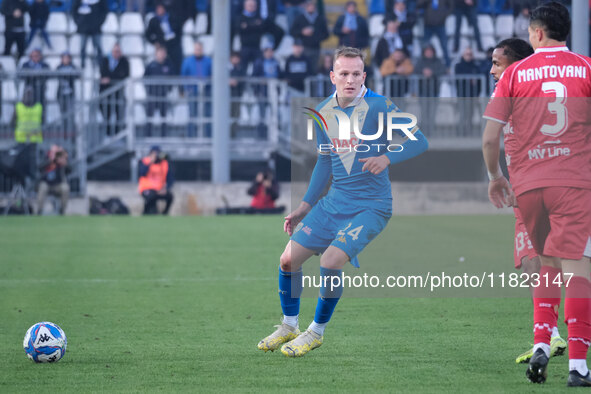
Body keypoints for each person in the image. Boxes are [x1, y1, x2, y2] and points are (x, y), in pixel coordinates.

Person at [256, 46, 429, 357]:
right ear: (332, 76)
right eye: (344, 73)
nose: (350, 79)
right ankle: (289, 325)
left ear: (364, 75)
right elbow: (325, 162)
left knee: (330, 261)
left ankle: (316, 332)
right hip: (333, 203)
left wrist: (387, 157)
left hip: (371, 205)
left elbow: (420, 140)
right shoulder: (322, 111)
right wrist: (305, 206)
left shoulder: (379, 106)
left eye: (356, 74)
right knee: (287, 260)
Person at [482, 2, 591, 386]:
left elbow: (490, 136)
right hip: (574, 182)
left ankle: (543, 341)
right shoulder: (586, 68)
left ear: (538, 33)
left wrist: (495, 176)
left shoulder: (514, 75)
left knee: (545, 264)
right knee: (578, 268)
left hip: (528, 184)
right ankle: (578, 366)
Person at [487, 37, 567, 364]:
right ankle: (554, 337)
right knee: (540, 263)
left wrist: (497, 178)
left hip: (534, 188)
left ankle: (550, 338)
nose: (492, 70)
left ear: (519, 62)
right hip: (546, 185)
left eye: (497, 63)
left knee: (538, 263)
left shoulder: (515, 88)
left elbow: (491, 137)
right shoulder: (534, 89)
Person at [181, 41, 212, 137]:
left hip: (206, 91)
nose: (198, 51)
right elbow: (183, 76)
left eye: (200, 49)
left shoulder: (209, 61)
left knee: (208, 115)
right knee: (192, 115)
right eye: (196, 49)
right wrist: (184, 88)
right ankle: (191, 136)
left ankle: (208, 137)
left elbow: (212, 74)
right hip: (192, 91)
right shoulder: (187, 61)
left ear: (202, 50)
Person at [290, 0, 329, 72]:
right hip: (304, 47)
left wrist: (317, 37)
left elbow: (326, 34)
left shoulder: (320, 19)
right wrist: (302, 32)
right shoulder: (300, 18)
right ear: (306, 7)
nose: (311, 8)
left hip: (316, 48)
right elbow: (292, 32)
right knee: (305, 68)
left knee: (315, 68)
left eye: (312, 6)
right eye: (309, 6)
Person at [99, 43, 130, 136]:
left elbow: (125, 74)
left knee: (119, 114)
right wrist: (113, 77)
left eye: (118, 51)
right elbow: (102, 73)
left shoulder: (124, 61)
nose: (117, 53)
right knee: (106, 113)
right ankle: (107, 134)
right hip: (105, 93)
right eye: (115, 51)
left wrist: (110, 79)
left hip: (118, 93)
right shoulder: (105, 60)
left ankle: (119, 134)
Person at [145, 2, 183, 75]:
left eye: (161, 9)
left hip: (174, 44)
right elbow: (147, 34)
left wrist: (176, 40)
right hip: (162, 45)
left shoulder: (172, 18)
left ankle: (176, 79)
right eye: (158, 9)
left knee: (176, 62)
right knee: (162, 62)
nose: (159, 10)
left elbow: (179, 30)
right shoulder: (153, 21)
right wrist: (155, 42)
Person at [144, 46, 174, 136]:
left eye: (163, 53)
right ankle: (148, 135)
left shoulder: (168, 65)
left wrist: (168, 89)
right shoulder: (151, 65)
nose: (161, 55)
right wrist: (148, 89)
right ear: (156, 54)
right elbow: (144, 78)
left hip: (163, 95)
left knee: (163, 117)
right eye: (159, 53)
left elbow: (172, 78)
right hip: (152, 95)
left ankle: (163, 136)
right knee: (149, 117)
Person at [71, 0, 108, 68]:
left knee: (98, 47)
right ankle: (82, 64)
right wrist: (79, 22)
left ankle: (100, 64)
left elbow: (104, 11)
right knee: (83, 47)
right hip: (83, 28)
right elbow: (74, 10)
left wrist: (99, 23)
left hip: (96, 28)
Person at [138, 145, 174, 215]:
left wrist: (165, 189)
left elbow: (170, 179)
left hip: (160, 189)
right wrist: (150, 162)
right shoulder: (145, 161)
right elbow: (142, 173)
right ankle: (145, 212)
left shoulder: (164, 163)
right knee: (151, 196)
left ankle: (165, 213)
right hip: (147, 188)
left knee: (170, 196)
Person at [418, 0, 453, 67]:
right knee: (424, 47)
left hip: (441, 24)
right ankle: (422, 66)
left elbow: (451, 5)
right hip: (428, 24)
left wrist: (445, 15)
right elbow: (419, 4)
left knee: (444, 46)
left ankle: (448, 66)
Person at [36, 145, 69, 215]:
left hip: (57, 185)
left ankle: (62, 211)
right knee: (42, 187)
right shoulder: (46, 159)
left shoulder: (60, 161)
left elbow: (70, 170)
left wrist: (64, 163)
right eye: (53, 152)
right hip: (46, 184)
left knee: (65, 188)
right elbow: (39, 168)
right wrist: (50, 160)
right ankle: (39, 211)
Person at [237, 0, 266, 68]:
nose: (252, 7)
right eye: (250, 5)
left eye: (253, 6)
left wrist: (247, 26)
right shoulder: (240, 17)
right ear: (245, 6)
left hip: (256, 47)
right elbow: (239, 29)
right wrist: (254, 25)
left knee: (258, 67)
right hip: (245, 47)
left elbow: (262, 28)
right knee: (242, 67)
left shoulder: (259, 17)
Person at [20, 48, 50, 114]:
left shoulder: (45, 65)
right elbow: (22, 76)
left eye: (37, 56)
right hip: (29, 92)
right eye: (33, 56)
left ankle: (42, 123)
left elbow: (48, 75)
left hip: (41, 91)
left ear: (40, 56)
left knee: (42, 110)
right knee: (29, 109)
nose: (35, 57)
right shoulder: (25, 65)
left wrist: (32, 74)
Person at [56, 52, 78, 134]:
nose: (66, 60)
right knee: (63, 114)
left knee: (70, 114)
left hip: (70, 94)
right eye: (64, 58)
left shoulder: (73, 67)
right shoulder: (59, 67)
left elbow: (77, 74)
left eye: (67, 58)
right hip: (61, 95)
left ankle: (70, 131)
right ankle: (64, 132)